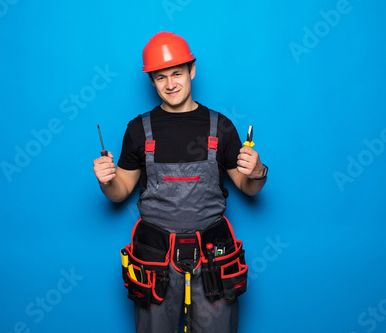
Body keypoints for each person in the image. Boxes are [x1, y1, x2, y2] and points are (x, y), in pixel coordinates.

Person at [93, 31, 268, 333]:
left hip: (214, 254)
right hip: (155, 258)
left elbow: (247, 188)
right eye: (161, 78)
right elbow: (120, 191)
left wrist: (258, 172)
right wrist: (106, 180)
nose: (170, 84)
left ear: (192, 71)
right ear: (152, 82)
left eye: (177, 74)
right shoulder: (138, 129)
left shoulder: (220, 126)